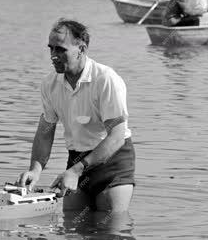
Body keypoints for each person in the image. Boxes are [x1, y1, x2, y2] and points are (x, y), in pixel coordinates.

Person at [17, 19, 135, 213]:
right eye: (51, 49)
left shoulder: (106, 79)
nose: (53, 56)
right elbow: (46, 130)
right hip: (77, 159)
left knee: (109, 231)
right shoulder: (49, 84)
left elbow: (117, 136)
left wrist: (76, 171)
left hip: (113, 162)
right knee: (72, 228)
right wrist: (35, 169)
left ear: (81, 48)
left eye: (60, 50)